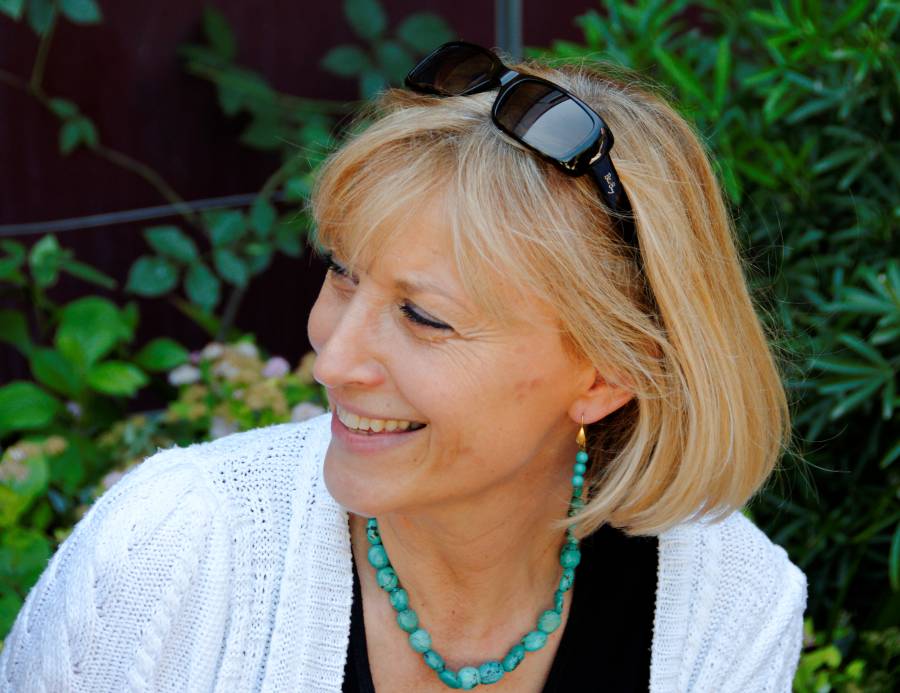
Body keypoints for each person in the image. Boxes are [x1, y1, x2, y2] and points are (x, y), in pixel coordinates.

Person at [0, 42, 807, 692]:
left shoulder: (730, 605)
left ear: (607, 375)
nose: (333, 358)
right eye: (343, 273)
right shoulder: (172, 551)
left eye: (424, 316)